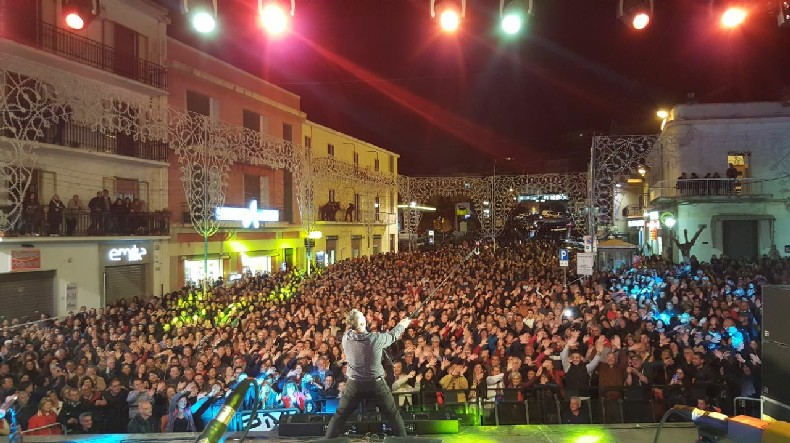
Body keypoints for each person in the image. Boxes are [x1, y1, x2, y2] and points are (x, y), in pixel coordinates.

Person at [324, 309, 412, 439]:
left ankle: (328, 441)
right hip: (375, 384)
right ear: (362, 323)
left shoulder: (346, 337)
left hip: (354, 385)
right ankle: (403, 441)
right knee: (393, 414)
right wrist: (402, 324)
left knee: (340, 416)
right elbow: (392, 336)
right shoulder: (374, 339)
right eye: (362, 316)